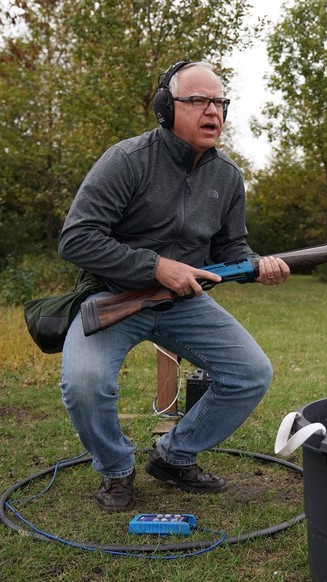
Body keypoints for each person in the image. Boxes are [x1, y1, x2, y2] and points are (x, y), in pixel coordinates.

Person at [57, 61, 290, 512]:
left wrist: (261, 266)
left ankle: (174, 456)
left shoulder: (228, 177)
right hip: (112, 297)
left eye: (220, 103)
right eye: (198, 101)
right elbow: (76, 239)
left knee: (250, 374)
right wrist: (155, 266)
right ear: (166, 108)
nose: (213, 112)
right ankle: (115, 468)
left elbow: (234, 250)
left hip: (184, 304)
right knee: (85, 382)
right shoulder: (125, 161)